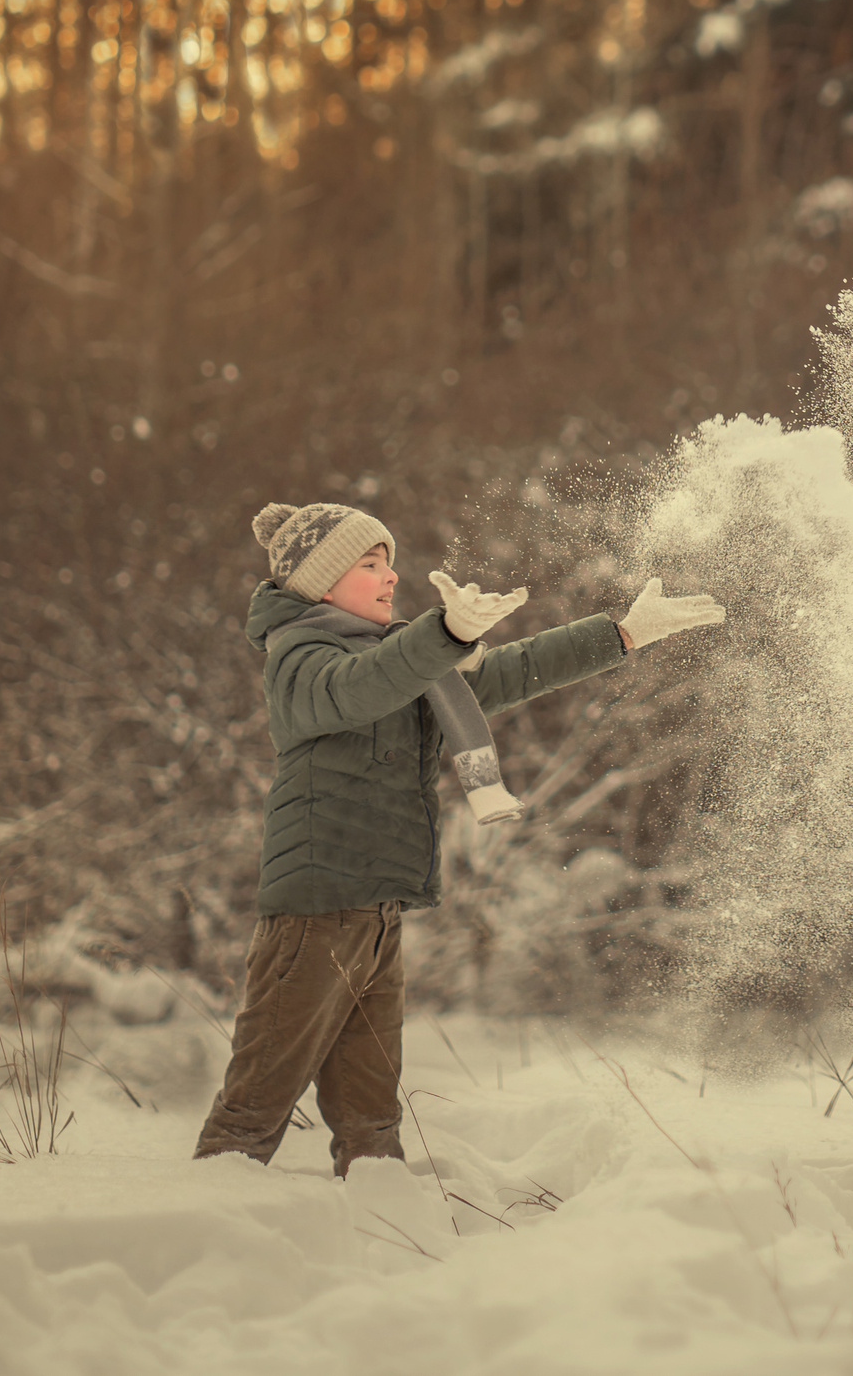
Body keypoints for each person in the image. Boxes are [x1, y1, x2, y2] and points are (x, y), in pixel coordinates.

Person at [193, 500, 724, 1173]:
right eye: (370, 563)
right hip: (318, 908)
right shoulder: (299, 660)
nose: (391, 576)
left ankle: (379, 1210)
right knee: (257, 1097)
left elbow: (509, 671)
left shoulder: (406, 664)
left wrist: (619, 635)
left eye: (389, 562)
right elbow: (358, 691)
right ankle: (210, 1209)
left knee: (369, 1112)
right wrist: (442, 632)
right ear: (320, 582)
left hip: (376, 908)